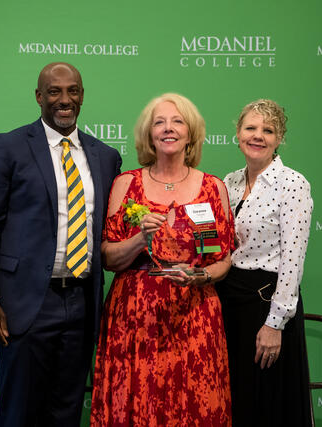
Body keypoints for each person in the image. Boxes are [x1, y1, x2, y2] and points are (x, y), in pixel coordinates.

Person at [0, 62, 122, 427]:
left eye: (73, 91)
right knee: (19, 411)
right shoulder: (7, 147)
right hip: (25, 304)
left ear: (82, 96)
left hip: (83, 305)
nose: (64, 100)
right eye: (54, 91)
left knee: (66, 411)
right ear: (39, 97)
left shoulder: (106, 157)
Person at [90, 93, 234, 426]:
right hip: (134, 318)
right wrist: (140, 239)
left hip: (195, 316)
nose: (168, 129)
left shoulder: (213, 188)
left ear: (191, 133)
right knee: (136, 405)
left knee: (196, 407)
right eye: (159, 122)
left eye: (177, 121)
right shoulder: (126, 184)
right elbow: (108, 257)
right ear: (149, 135)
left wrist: (198, 277)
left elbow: (222, 259)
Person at [217, 99, 313, 426]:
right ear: (238, 133)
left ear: (279, 138)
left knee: (268, 403)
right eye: (251, 128)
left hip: (266, 305)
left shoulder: (293, 185)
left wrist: (275, 323)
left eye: (268, 130)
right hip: (228, 303)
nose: (258, 136)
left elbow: (293, 261)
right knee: (235, 398)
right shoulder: (227, 183)